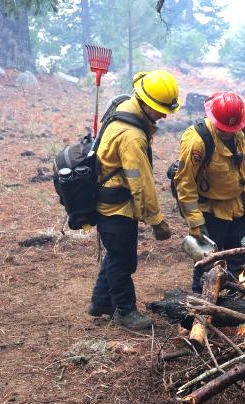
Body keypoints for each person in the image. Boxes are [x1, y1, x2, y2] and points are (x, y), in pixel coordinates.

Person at [87, 70, 180, 330]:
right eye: (160, 110)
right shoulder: (132, 137)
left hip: (111, 202)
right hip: (117, 207)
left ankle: (100, 301)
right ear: (146, 103)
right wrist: (157, 220)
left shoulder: (125, 107)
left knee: (115, 254)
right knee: (123, 260)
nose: (163, 116)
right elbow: (142, 185)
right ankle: (125, 312)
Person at [172, 91, 245, 293]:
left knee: (239, 256)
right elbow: (185, 182)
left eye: (231, 129)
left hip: (239, 204)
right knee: (208, 261)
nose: (227, 132)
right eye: (223, 129)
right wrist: (195, 222)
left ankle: (235, 297)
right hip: (210, 209)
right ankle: (200, 305)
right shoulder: (197, 141)